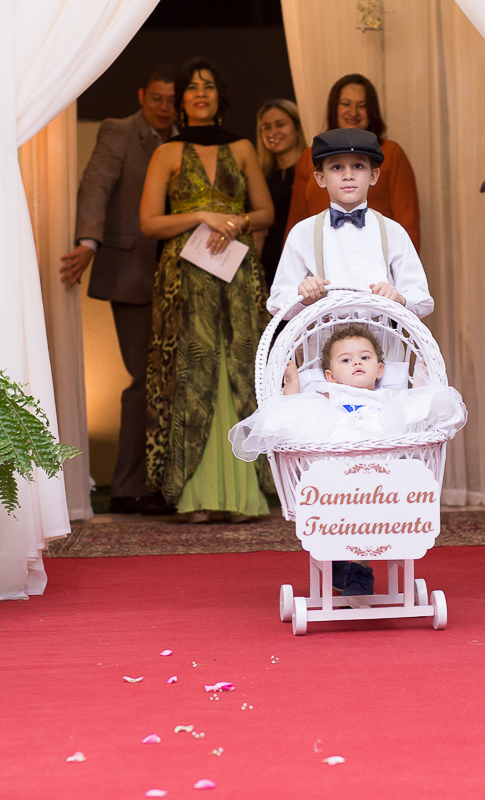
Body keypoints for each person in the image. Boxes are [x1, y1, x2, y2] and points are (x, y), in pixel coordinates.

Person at [228, 323, 466, 604]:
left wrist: (423, 386)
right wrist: (292, 384)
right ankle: (347, 565)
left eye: (365, 357)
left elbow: (416, 416)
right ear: (330, 376)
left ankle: (359, 569)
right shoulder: (325, 396)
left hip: (382, 478)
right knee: (304, 430)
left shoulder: (390, 398)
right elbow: (291, 418)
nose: (357, 363)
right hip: (334, 477)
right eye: (346, 360)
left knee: (379, 495)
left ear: (379, 370)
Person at [140, 58, 277, 524]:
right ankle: (194, 496)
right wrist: (202, 215)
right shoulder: (166, 152)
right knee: (192, 374)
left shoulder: (242, 147)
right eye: (192, 87)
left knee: (239, 368)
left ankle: (244, 495)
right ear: (181, 99)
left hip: (238, 275)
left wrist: (236, 221)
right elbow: (149, 223)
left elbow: (266, 213)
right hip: (185, 280)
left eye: (210, 86)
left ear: (221, 96)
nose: (201, 93)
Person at [61, 65, 178, 516]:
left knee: (170, 380)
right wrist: (87, 242)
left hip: (179, 277)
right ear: (142, 95)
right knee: (143, 379)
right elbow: (95, 185)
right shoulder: (118, 131)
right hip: (132, 272)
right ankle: (129, 486)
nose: (164, 108)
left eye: (171, 100)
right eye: (157, 99)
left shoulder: (185, 139)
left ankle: (167, 482)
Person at [266, 128, 433, 320]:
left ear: (373, 176)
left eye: (358, 166)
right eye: (337, 167)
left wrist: (400, 299)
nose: (348, 175)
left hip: (381, 337)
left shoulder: (393, 231)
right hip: (324, 336)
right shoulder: (302, 233)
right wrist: (303, 298)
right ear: (320, 178)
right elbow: (277, 303)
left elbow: (423, 300)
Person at [284, 75, 421, 251]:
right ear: (334, 108)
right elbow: (296, 221)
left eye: (362, 105)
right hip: (320, 258)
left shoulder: (391, 153)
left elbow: (408, 222)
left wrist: (400, 266)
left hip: (375, 257)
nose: (354, 112)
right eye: (346, 104)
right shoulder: (309, 156)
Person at [254, 100, 305, 288]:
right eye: (266, 127)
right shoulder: (261, 176)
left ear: (297, 129)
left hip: (304, 263)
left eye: (280, 124)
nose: (272, 132)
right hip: (272, 264)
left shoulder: (312, 171)